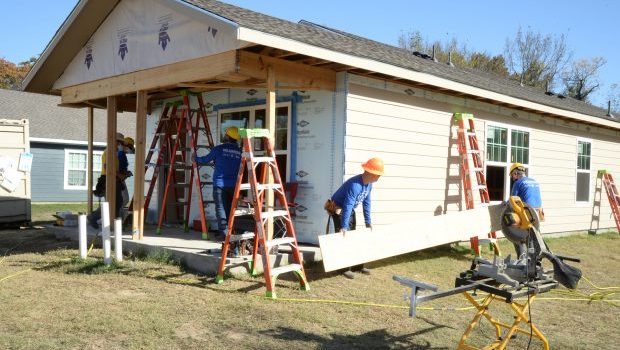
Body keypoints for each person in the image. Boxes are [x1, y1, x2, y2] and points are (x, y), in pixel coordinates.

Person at [325, 157, 384, 279]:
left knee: (354, 237)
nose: (379, 177)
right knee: (344, 238)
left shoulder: (369, 185)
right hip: (338, 209)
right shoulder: (355, 185)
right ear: (371, 173)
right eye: (378, 174)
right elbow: (347, 205)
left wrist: (368, 222)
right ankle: (343, 269)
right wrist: (344, 226)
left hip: (348, 210)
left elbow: (366, 202)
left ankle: (358, 266)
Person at [194, 127, 242, 238]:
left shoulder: (219, 149)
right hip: (234, 185)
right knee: (231, 208)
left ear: (227, 137)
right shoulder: (240, 152)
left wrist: (195, 158)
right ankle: (231, 231)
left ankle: (224, 232)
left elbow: (205, 159)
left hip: (220, 184)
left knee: (220, 208)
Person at [88, 133, 129, 229]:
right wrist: (120, 175)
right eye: (118, 142)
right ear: (113, 141)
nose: (120, 144)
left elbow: (114, 168)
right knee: (113, 203)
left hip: (114, 179)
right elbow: (107, 167)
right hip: (108, 179)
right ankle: (95, 217)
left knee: (118, 202)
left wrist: (123, 174)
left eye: (120, 142)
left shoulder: (114, 153)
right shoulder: (108, 152)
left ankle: (115, 223)